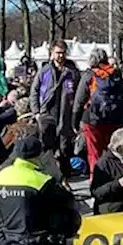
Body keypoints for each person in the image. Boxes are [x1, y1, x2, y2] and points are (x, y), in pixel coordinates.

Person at [32, 41, 79, 176]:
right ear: (52, 53)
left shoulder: (72, 72)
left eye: (63, 52)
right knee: (47, 147)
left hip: (66, 114)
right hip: (47, 114)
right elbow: (34, 91)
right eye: (58, 52)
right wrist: (37, 112)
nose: (61, 56)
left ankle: (66, 177)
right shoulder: (44, 71)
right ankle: (47, 175)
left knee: (65, 148)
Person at [89, 128, 123, 215]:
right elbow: (96, 192)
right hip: (112, 211)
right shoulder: (103, 163)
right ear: (120, 148)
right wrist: (118, 184)